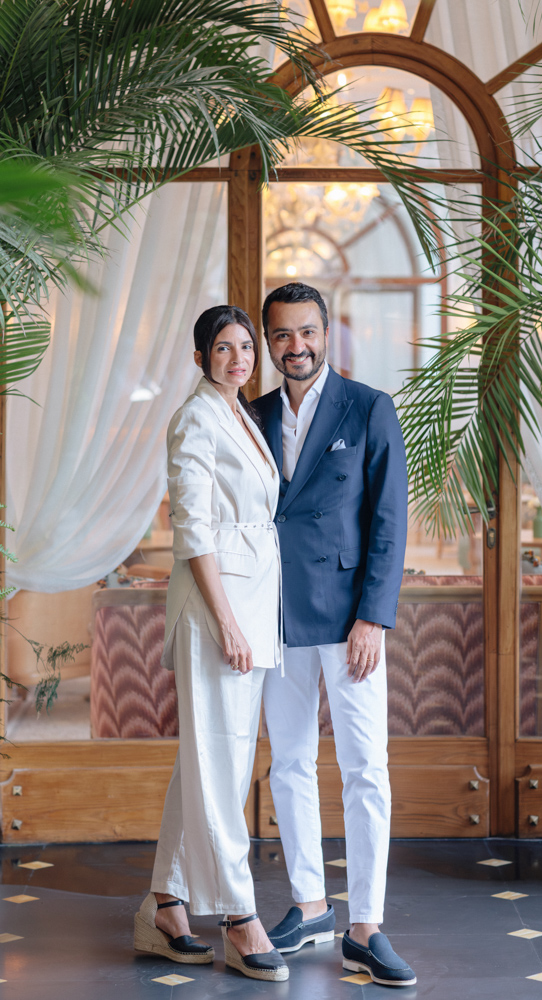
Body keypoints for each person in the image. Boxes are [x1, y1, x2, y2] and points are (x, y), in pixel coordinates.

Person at [254, 282, 417, 987]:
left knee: (364, 768)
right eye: (282, 334)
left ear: (327, 334)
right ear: (269, 341)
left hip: (349, 617)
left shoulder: (368, 406)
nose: (296, 346)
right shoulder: (253, 413)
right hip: (276, 616)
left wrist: (373, 617)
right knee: (288, 763)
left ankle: (366, 926)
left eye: (307, 332)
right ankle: (310, 903)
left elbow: (389, 520)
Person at [134, 305, 288, 983]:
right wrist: (226, 621)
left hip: (250, 603)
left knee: (208, 758)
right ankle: (236, 915)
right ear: (199, 358)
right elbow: (193, 528)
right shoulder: (195, 418)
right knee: (221, 764)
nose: (237, 358)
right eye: (222, 348)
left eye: (245, 347)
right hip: (216, 607)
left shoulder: (239, 414)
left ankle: (165, 905)